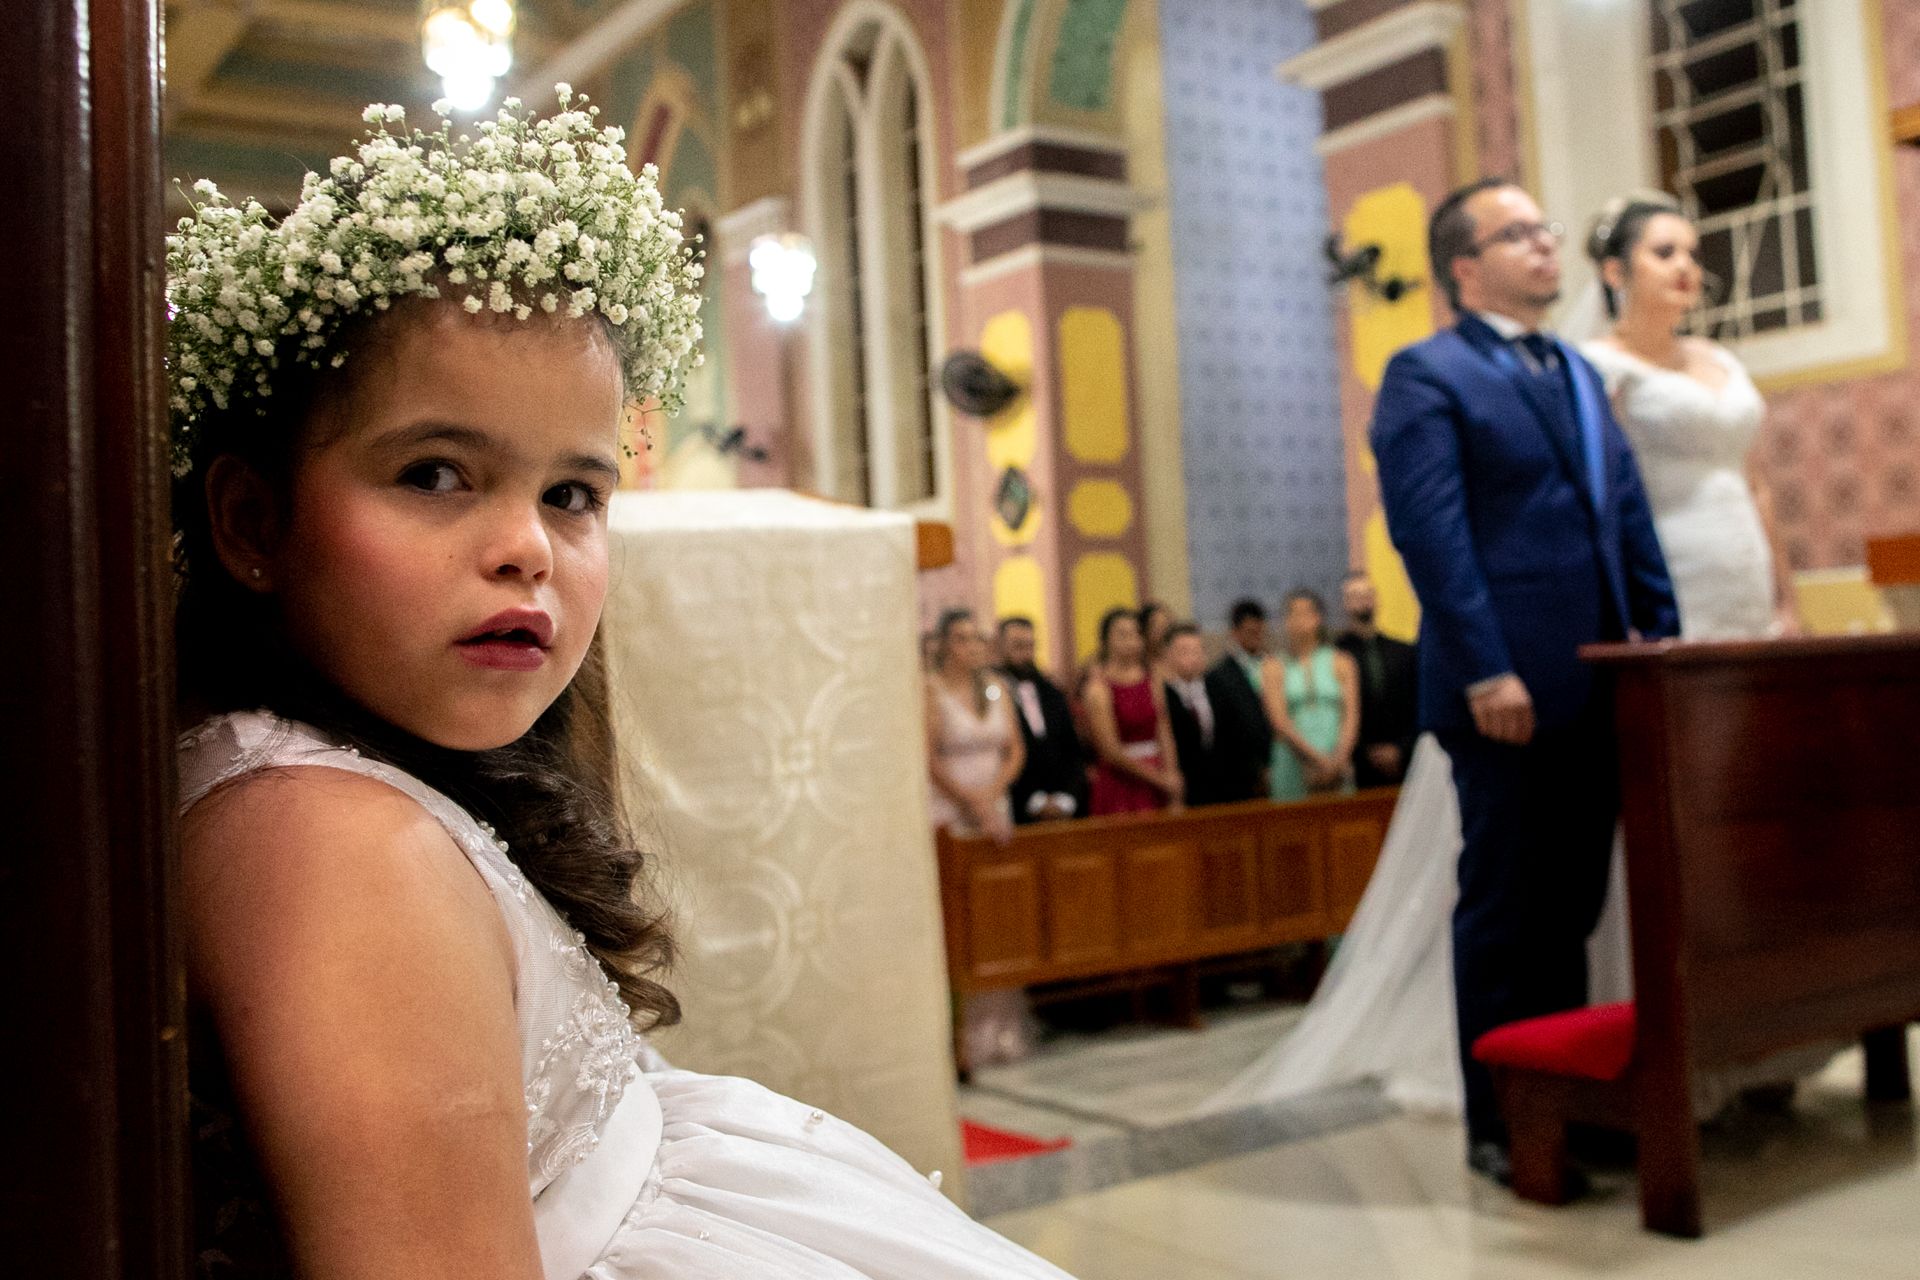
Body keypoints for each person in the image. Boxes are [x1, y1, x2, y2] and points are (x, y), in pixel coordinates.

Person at [171, 93, 1076, 1279]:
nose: (527, 548)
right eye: (436, 471)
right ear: (250, 517)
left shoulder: (348, 789)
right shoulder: (331, 846)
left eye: (574, 493)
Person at [1360, 178, 1679, 1185]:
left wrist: (1660, 637)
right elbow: (1432, 534)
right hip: (1503, 690)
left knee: (1573, 909)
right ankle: (1500, 1123)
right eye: (1521, 234)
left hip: (1597, 679)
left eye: (1547, 230)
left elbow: (1621, 507)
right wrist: (1487, 664)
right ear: (1466, 266)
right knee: (1507, 911)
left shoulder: (1576, 371)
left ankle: (1566, 1104)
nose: (1547, 246)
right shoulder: (1427, 374)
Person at [1577, 193, 1800, 639]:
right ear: (1615, 271)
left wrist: (1786, 598)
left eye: (1692, 254)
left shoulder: (1719, 358)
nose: (1685, 267)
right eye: (1664, 253)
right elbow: (1602, 495)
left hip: (1746, 568)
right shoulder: (1596, 367)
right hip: (1672, 568)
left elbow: (1755, 483)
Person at [925, 609, 1023, 845]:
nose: (972, 646)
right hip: (949, 802)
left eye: (976, 638)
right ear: (945, 644)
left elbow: (1015, 748)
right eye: (962, 639)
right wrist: (970, 800)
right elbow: (928, 757)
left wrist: (992, 793)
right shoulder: (931, 690)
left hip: (994, 798)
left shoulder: (996, 686)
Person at [1083, 608, 1182, 815]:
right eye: (1122, 635)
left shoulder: (1152, 679)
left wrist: (1172, 774)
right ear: (1106, 641)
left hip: (1159, 774)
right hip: (1121, 781)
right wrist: (1159, 779)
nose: (1131, 641)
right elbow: (1110, 751)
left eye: (1136, 634)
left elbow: (1163, 729)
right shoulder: (1098, 688)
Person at [1264, 589, 1360, 802]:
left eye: (1305, 613)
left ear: (1318, 618)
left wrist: (1338, 760)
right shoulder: (1273, 666)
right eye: (1292, 614)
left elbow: (1351, 716)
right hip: (1294, 762)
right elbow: (1279, 722)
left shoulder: (1342, 661)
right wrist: (1317, 760)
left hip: (1336, 761)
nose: (1299, 620)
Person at [996, 616, 1088, 823]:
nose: (1026, 653)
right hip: (1018, 805)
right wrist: (1034, 802)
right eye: (1017, 646)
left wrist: (1067, 798)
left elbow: (1072, 750)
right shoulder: (992, 693)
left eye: (1030, 646)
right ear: (1000, 647)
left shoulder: (1052, 692)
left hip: (1063, 803)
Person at [1335, 571, 1418, 787]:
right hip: (1355, 765)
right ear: (1345, 603)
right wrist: (1364, 752)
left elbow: (1418, 705)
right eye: (1355, 595)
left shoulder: (1405, 652)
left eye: (1367, 594)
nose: (1362, 600)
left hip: (1406, 762)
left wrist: (1401, 749)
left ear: (1376, 598)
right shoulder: (1335, 655)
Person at [1205, 598, 1274, 802]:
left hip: (1276, 762)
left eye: (1259, 631)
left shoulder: (1275, 666)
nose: (1256, 637)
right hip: (1239, 775)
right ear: (1235, 632)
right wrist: (1256, 769)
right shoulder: (1218, 677)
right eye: (1249, 632)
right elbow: (1223, 732)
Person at [1161, 622, 1229, 806]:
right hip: (1183, 790)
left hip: (1221, 791)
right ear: (1167, 655)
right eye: (1184, 651)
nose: (1193, 657)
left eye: (1197, 651)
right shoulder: (1162, 695)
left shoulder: (1219, 688)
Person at [1138, 600, 1174, 680]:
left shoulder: (1177, 661)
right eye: (1159, 627)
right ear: (1145, 630)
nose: (1166, 631)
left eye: (1168, 625)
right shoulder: (1138, 666)